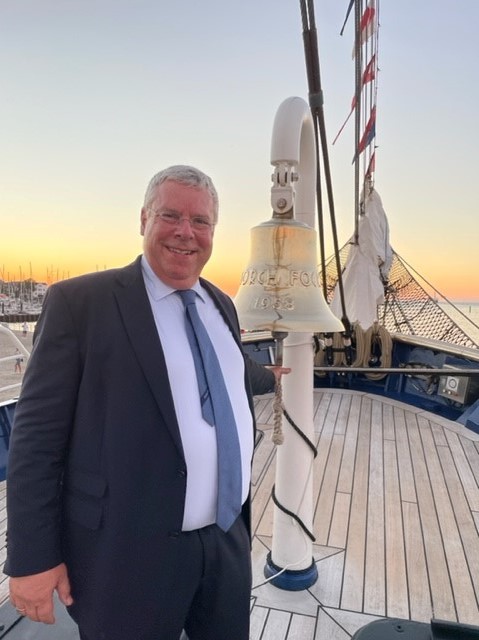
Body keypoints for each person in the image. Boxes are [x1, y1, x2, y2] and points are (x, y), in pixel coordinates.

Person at [5, 165, 288, 640]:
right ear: (143, 219)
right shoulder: (81, 304)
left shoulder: (221, 304)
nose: (185, 232)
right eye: (170, 215)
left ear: (213, 231)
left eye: (201, 222)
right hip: (127, 554)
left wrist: (272, 377)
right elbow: (35, 440)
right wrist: (32, 559)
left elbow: (225, 373)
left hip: (226, 540)